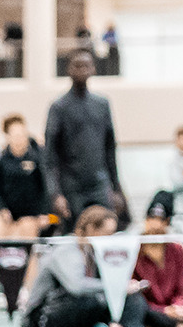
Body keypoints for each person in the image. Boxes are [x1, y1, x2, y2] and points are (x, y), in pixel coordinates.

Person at [19, 205, 139, 327]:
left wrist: (124, 289)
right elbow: (77, 286)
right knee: (93, 302)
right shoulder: (67, 249)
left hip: (70, 311)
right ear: (91, 229)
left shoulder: (93, 251)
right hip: (39, 322)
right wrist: (117, 286)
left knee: (133, 298)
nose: (110, 239)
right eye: (107, 233)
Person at [45, 49, 126, 223]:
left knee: (106, 228)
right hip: (71, 186)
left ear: (93, 69)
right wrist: (55, 194)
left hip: (99, 184)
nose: (82, 70)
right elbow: (50, 157)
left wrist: (116, 188)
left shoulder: (102, 104)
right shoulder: (59, 107)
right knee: (75, 232)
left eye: (86, 66)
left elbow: (110, 150)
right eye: (77, 66)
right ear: (68, 69)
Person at [131, 197, 183, 327]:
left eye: (160, 220)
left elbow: (180, 288)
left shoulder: (177, 249)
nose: (155, 224)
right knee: (140, 308)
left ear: (167, 222)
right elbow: (135, 294)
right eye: (151, 218)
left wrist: (177, 307)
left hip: (174, 310)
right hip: (150, 310)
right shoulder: (134, 249)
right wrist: (164, 310)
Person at [0, 114, 49, 240]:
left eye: (22, 135)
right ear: (8, 137)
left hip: (30, 213)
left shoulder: (37, 158)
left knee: (27, 234)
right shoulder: (2, 159)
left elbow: (45, 186)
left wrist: (44, 213)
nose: (19, 139)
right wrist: (1, 208)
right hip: (7, 212)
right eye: (15, 136)